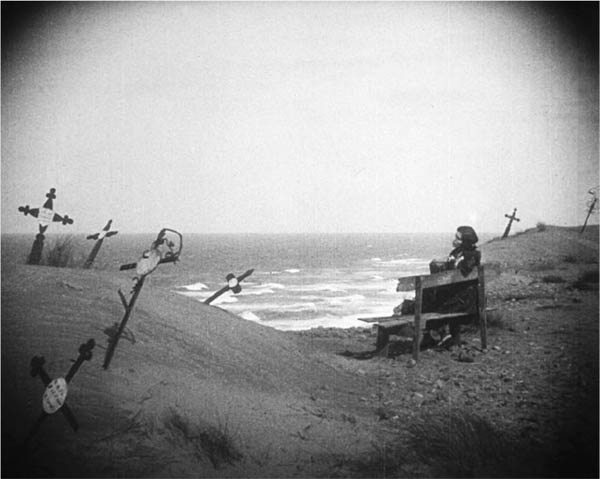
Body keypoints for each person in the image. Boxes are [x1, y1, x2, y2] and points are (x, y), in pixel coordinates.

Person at [394, 225, 481, 348]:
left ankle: (436, 334)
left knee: (430, 302)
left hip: (465, 298)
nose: (454, 240)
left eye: (458, 238)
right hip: (456, 295)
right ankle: (440, 335)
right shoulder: (456, 252)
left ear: (465, 240)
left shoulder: (472, 254)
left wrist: (451, 263)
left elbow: (463, 273)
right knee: (428, 295)